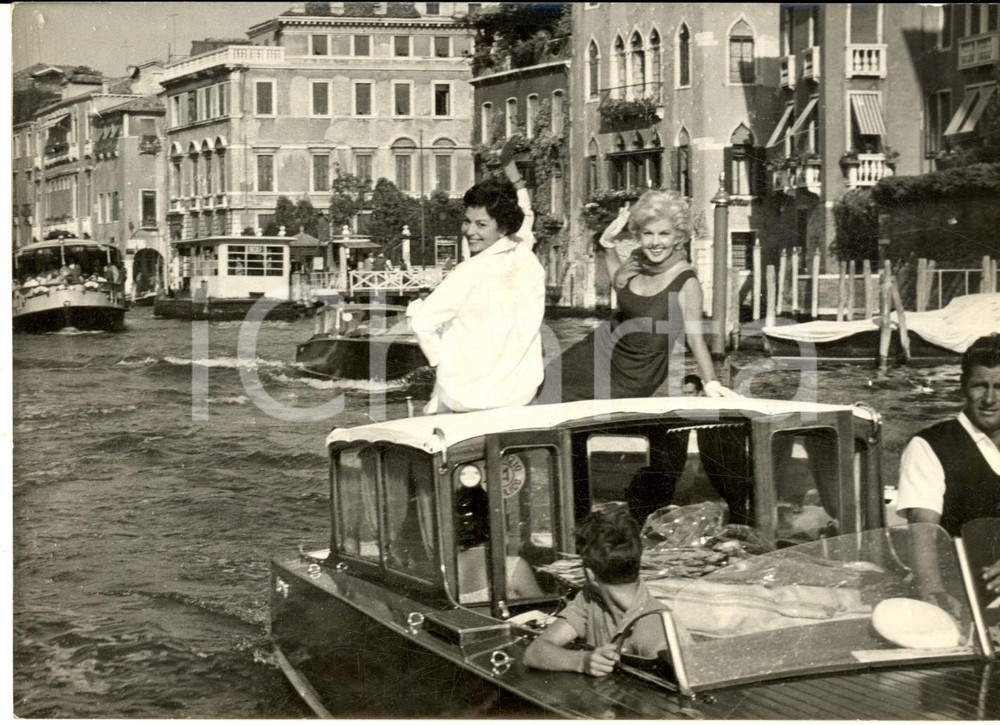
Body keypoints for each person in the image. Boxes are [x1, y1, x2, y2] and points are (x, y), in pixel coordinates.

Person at [550, 191, 736, 401]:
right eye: (648, 233)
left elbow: (695, 339)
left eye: (664, 234)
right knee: (544, 385)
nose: (655, 242)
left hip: (634, 376)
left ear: (678, 237)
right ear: (639, 236)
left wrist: (711, 383)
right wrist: (608, 245)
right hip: (598, 351)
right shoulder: (637, 263)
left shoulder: (686, 281)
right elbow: (622, 288)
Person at [408, 138, 544, 414]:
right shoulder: (523, 251)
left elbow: (422, 324)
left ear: (502, 227)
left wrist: (442, 363)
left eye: (481, 224)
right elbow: (526, 212)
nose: (470, 231)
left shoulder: (467, 273)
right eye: (468, 221)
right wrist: (513, 174)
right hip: (520, 392)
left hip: (469, 397)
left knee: (422, 317)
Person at [897, 334, 1000, 604]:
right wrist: (935, 595)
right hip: (967, 601)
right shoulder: (929, 446)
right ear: (963, 387)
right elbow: (923, 533)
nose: (990, 398)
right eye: (980, 386)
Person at [523, 508, 666, 676]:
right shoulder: (590, 598)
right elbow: (534, 653)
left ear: (589, 574)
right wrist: (582, 661)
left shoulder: (653, 623)